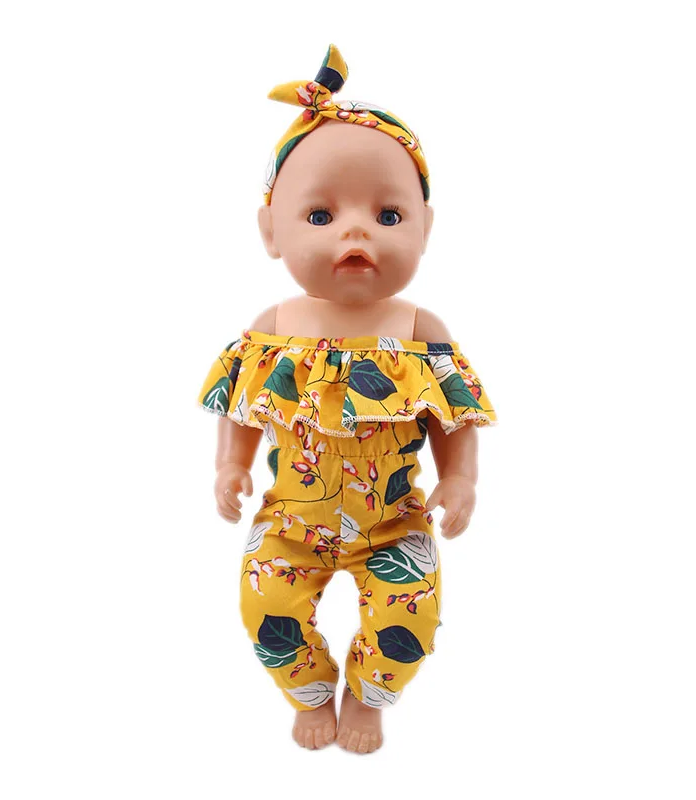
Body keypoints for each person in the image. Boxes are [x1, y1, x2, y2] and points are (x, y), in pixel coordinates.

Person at [198, 44, 497, 754]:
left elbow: (452, 417)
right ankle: (307, 687)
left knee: (410, 617)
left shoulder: (420, 330)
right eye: (321, 214)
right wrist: (230, 464)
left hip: (394, 522)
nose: (356, 230)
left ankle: (369, 693)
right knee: (265, 606)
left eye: (388, 215)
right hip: (290, 522)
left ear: (426, 228)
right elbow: (244, 407)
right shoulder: (274, 326)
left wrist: (460, 477)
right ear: (271, 232)